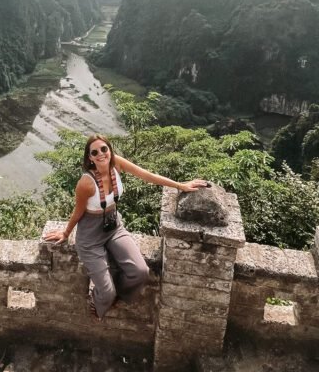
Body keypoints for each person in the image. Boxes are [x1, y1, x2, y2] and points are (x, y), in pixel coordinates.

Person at [44, 134, 209, 320]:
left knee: (140, 272)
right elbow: (78, 211)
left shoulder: (117, 164)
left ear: (110, 150)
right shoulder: (86, 183)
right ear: (89, 157)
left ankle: (118, 295)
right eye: (95, 152)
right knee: (105, 293)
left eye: (104, 149)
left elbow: (148, 176)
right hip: (90, 237)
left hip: (114, 227)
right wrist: (65, 233)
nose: (101, 154)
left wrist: (181, 186)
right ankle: (100, 303)